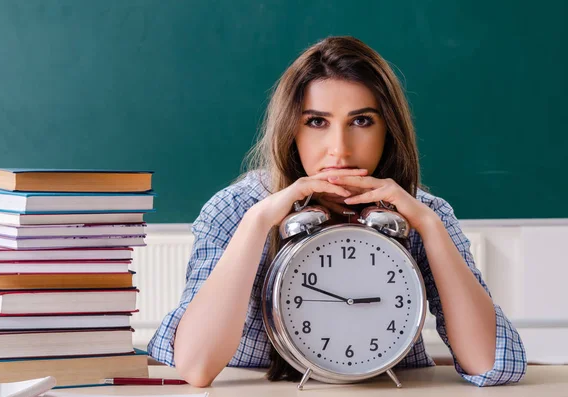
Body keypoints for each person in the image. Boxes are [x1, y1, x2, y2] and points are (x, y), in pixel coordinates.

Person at [148, 36, 527, 388]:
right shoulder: (238, 209)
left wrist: (428, 224)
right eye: (316, 122)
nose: (339, 150)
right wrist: (258, 222)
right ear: (289, 131)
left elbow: (489, 363)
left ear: (388, 130)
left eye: (361, 121)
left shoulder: (424, 214)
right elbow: (196, 367)